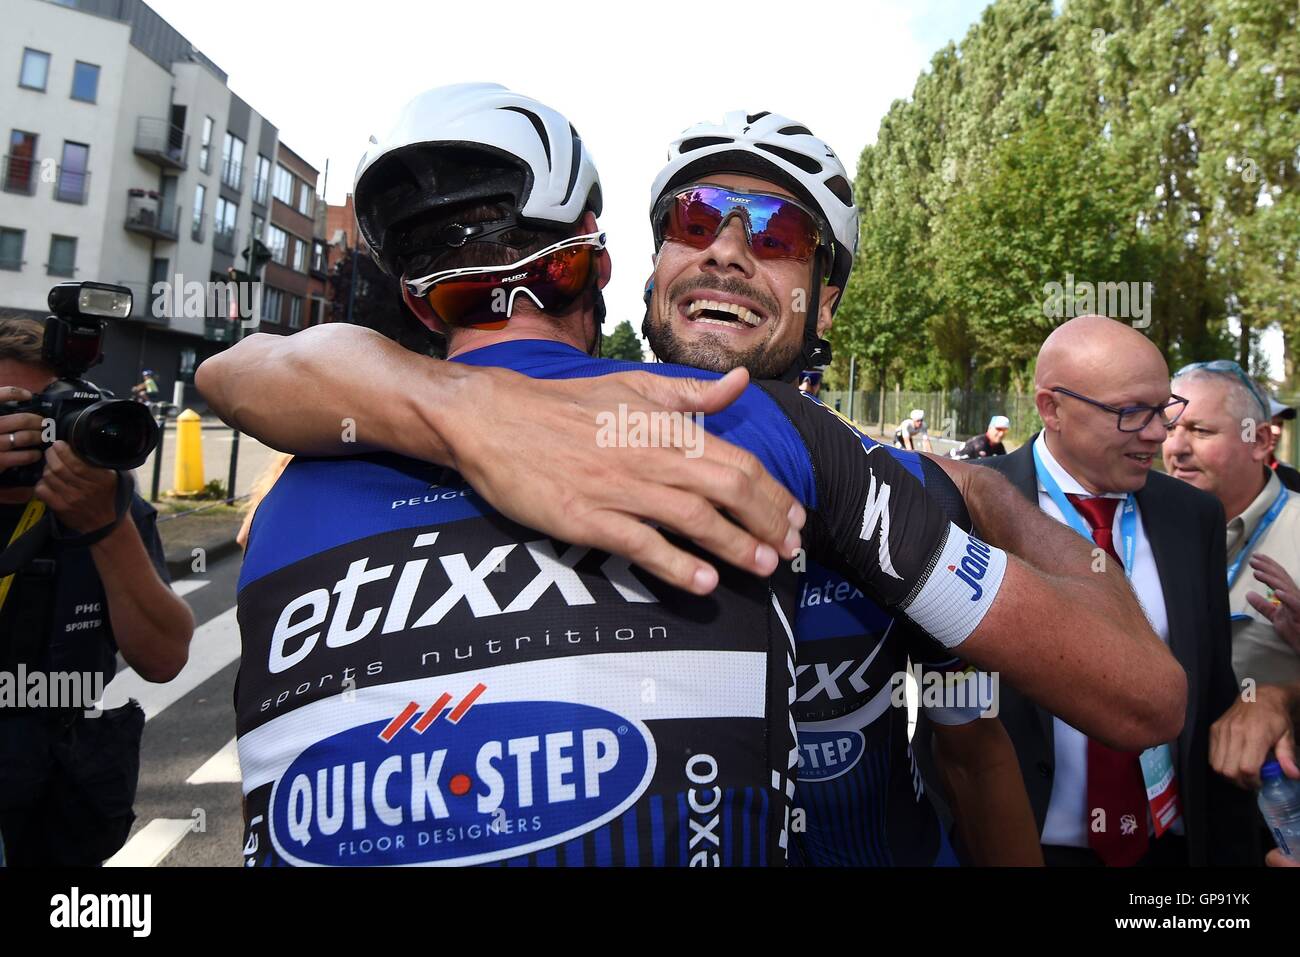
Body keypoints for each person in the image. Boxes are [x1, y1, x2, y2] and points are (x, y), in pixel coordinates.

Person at [202, 88, 1183, 866]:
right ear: (638, 261)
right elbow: (244, 371)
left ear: (826, 302)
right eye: (698, 215)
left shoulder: (888, 487)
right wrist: (462, 415)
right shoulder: (376, 432)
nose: (726, 246)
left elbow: (980, 748)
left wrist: (991, 496)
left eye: (777, 234)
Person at [977, 315, 1257, 867]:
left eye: (1164, 408)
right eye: (1132, 413)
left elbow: (1212, 691)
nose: (1159, 433)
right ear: (1051, 408)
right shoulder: (966, 508)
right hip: (1020, 849)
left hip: (1166, 852)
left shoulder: (1194, 516)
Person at [0, 317, 194, 866]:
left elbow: (162, 658)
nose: (33, 434)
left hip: (62, 787)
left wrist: (105, 528)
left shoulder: (107, 504)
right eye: (14, 413)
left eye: (51, 414)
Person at [1164, 361, 1300, 688]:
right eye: (1169, 428)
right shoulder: (1134, 524)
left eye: (1201, 431)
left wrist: (1282, 700)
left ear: (1259, 440)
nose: (1176, 448)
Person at [1267, 398, 1300, 492]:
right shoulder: (1231, 475)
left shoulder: (1291, 477)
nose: (1277, 431)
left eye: (1280, 424)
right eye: (1270, 423)